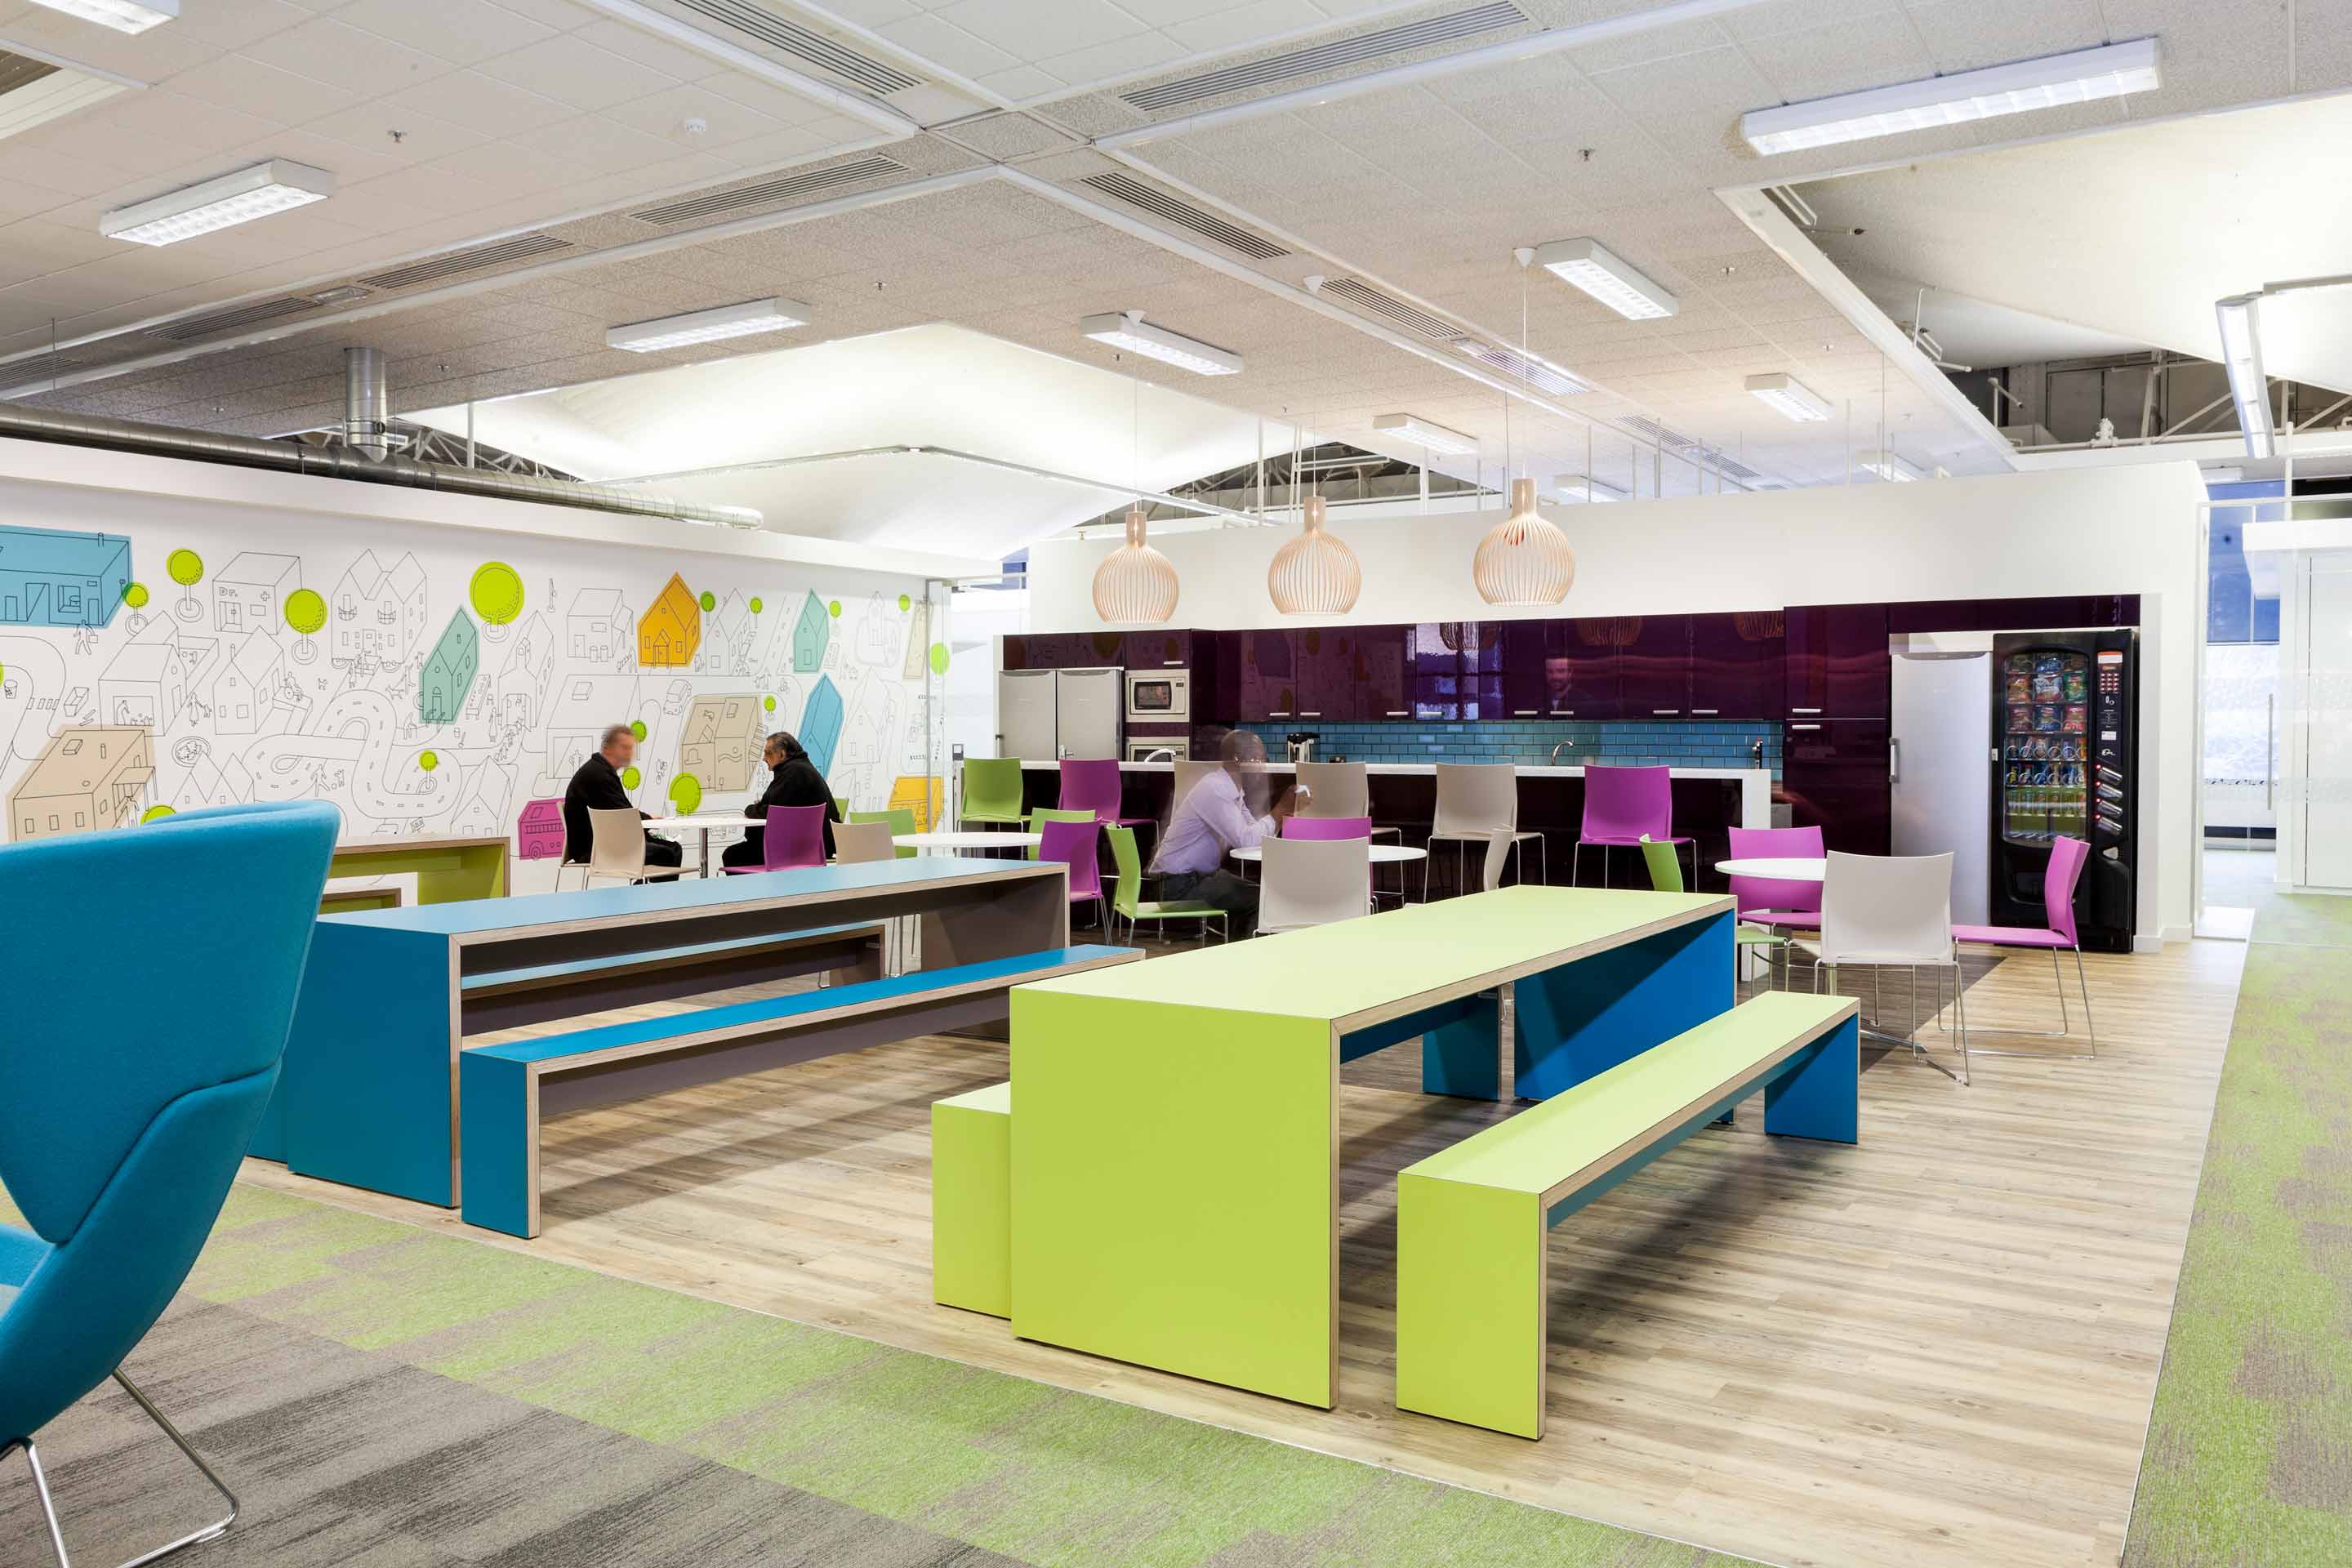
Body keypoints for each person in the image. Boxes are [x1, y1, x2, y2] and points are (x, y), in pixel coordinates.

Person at [1150, 730, 1298, 936]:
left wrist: (1282, 814)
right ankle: (1251, 958)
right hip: (1178, 885)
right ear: (1238, 760)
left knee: (1261, 893)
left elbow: (1253, 837)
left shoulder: (1233, 790)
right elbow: (1246, 841)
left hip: (1196, 878)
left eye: (1263, 759)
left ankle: (1240, 948)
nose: (1262, 766)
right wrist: (1280, 809)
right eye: (1257, 758)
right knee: (1262, 900)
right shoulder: (1216, 789)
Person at [562, 724, 682, 880]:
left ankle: (651, 897)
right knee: (666, 853)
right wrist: (648, 820)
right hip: (595, 849)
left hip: (605, 843)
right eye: (625, 748)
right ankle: (652, 899)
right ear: (608, 749)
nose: (629, 753)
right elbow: (623, 815)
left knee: (673, 848)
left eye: (631, 748)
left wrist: (648, 819)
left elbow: (621, 810)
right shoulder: (598, 776)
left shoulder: (600, 771)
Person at [724, 730, 841, 870]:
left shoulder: (793, 774)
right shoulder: (802, 769)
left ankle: (759, 891)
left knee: (733, 855)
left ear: (782, 754)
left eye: (768, 753)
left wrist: (750, 809)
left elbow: (768, 811)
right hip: (817, 848)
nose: (764, 758)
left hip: (799, 851)